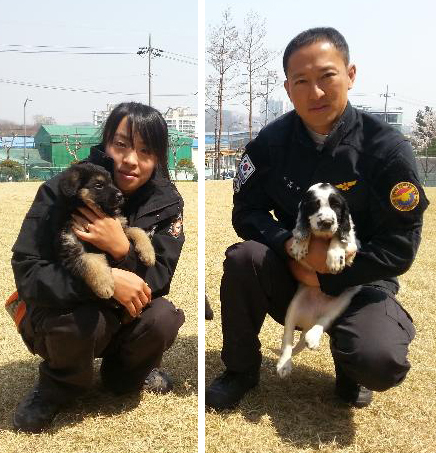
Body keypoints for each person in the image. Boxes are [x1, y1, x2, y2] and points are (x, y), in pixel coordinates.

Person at [206, 27, 429, 411]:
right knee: (244, 258)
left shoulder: (387, 150)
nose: (316, 93)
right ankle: (240, 370)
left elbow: (400, 246)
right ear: (288, 89)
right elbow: (248, 211)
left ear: (351, 75)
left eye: (327, 77)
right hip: (292, 274)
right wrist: (288, 246)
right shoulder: (270, 145)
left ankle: (352, 366)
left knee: (380, 361)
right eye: (302, 82)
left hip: (361, 281)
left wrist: (328, 275)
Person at [11, 102, 185, 432]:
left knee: (162, 317)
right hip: (67, 311)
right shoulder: (63, 189)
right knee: (79, 323)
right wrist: (98, 280)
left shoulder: (167, 202)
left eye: (146, 151)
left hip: (124, 312)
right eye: (121, 145)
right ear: (106, 143)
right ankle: (55, 388)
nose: (131, 160)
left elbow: (160, 278)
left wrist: (122, 250)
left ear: (159, 158)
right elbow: (28, 271)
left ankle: (126, 374)